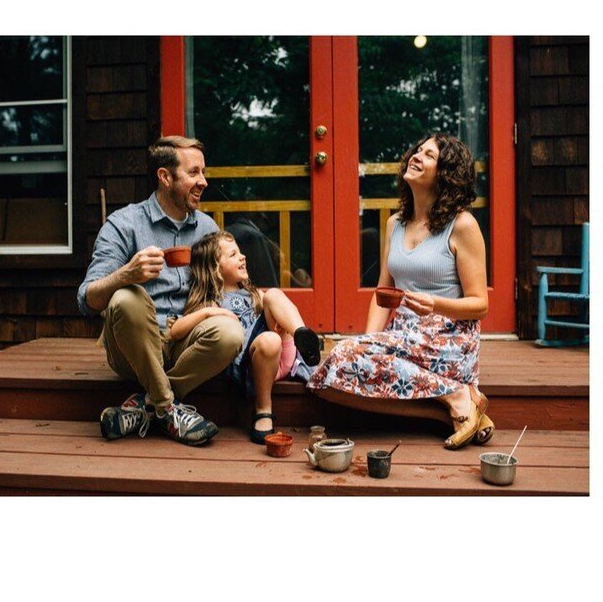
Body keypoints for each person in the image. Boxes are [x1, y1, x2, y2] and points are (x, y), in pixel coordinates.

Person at [307, 132, 495, 449]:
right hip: (402, 337)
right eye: (417, 150)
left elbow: (481, 305)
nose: (416, 156)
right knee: (326, 382)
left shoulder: (462, 225)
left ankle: (457, 393)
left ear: (446, 173)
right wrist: (369, 343)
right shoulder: (395, 223)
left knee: (341, 358)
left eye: (429, 155)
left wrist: (435, 304)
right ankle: (452, 404)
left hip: (447, 339)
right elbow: (384, 293)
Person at [77, 136, 245, 446]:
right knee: (128, 297)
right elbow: (87, 299)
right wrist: (127, 274)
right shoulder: (123, 224)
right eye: (193, 173)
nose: (204, 182)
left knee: (231, 332)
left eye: (203, 172)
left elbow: (224, 287)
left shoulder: (206, 228)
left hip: (184, 340)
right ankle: (169, 407)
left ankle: (146, 406)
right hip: (135, 345)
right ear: (165, 177)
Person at [168, 231, 321, 443]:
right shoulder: (210, 302)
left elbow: (275, 308)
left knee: (274, 295)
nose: (243, 256)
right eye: (233, 254)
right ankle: (263, 411)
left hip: (281, 357)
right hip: (252, 366)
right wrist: (210, 312)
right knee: (270, 339)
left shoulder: (254, 295)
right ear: (215, 268)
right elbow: (175, 331)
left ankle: (301, 335)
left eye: (240, 252)